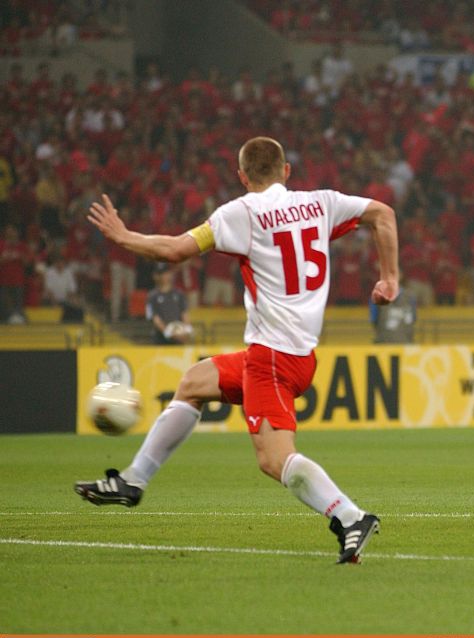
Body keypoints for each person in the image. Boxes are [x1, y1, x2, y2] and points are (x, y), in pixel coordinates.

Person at [75, 136, 399, 564]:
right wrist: (390, 278)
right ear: (286, 171)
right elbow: (382, 214)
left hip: (271, 359)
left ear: (242, 176)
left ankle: (349, 516)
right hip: (297, 355)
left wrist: (122, 236)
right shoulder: (321, 203)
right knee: (193, 382)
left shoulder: (240, 213)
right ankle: (132, 481)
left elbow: (174, 250)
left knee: (274, 459)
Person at [146, 263, 193, 344]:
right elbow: (155, 318)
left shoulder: (179, 294)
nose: (164, 276)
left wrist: (187, 329)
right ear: (156, 276)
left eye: (166, 273)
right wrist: (168, 332)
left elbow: (185, 314)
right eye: (161, 274)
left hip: (179, 336)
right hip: (160, 339)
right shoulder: (152, 296)